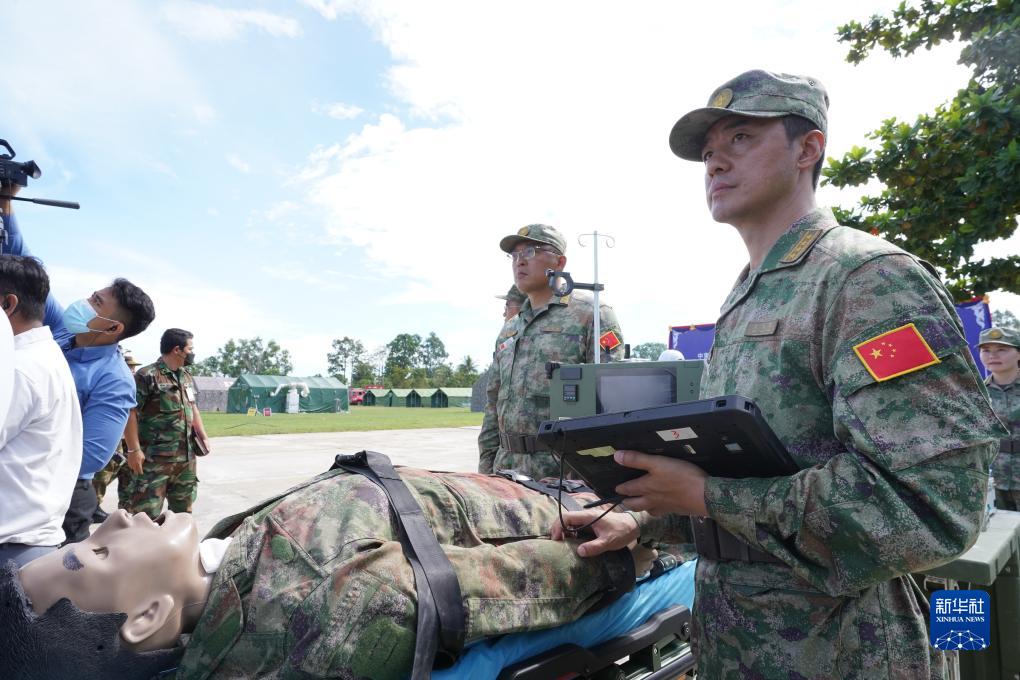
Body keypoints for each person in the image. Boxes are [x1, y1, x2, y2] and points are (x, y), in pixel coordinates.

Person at [555, 70, 1003, 678]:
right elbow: (742, 477)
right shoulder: (750, 294)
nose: (715, 162)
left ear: (807, 149)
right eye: (708, 153)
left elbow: (932, 508)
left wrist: (707, 496)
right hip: (736, 644)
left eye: (740, 138)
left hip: (839, 650)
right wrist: (645, 517)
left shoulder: (867, 279)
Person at [10, 465, 648, 679]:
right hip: (589, 512)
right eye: (97, 553)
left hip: (545, 490)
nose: (114, 518)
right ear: (148, 616)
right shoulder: (335, 603)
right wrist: (652, 530)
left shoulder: (228, 560)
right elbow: (542, 577)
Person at [0, 186, 156, 544]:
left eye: (96, 302)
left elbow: (90, 457)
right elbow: (25, 270)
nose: (84, 302)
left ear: (113, 328)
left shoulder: (115, 381)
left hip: (57, 495)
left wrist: (21, 446)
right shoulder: (62, 331)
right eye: (92, 295)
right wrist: (7, 204)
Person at [479, 224, 625, 479]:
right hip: (505, 471)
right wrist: (486, 470)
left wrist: (591, 479)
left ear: (559, 262)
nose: (519, 261)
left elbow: (611, 402)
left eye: (531, 251)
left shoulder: (592, 314)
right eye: (514, 255)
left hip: (561, 475)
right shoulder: (510, 329)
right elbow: (493, 403)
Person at [0, 255, 82, 566]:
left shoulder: (18, 368)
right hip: (26, 543)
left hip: (10, 547)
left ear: (8, 304)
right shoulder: (41, 356)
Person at [122, 328, 210, 519]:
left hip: (185, 460)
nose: (192, 353)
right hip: (154, 461)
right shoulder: (147, 375)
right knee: (146, 517)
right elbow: (130, 412)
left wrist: (202, 435)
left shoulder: (186, 376)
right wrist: (134, 450)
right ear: (177, 350)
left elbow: (192, 406)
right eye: (190, 349)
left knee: (183, 516)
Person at [90, 352, 143, 524]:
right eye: (130, 367)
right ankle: (93, 506)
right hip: (114, 440)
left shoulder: (135, 385)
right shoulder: (114, 383)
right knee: (102, 475)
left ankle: (125, 510)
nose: (133, 370)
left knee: (128, 477)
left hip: (129, 442)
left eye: (134, 368)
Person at [978, 326, 1020, 510]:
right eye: (986, 350)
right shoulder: (977, 393)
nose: (992, 356)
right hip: (993, 480)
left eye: (1002, 349)